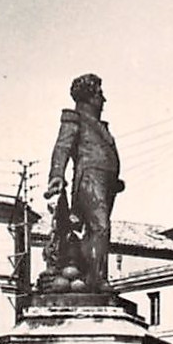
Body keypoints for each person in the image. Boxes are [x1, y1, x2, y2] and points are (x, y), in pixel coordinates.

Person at [44, 73, 125, 294]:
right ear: (88, 97)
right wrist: (56, 176)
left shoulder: (101, 126)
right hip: (89, 180)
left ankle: (93, 276)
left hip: (106, 182)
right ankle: (96, 280)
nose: (104, 99)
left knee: (95, 231)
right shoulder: (74, 118)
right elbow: (62, 148)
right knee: (100, 227)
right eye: (100, 94)